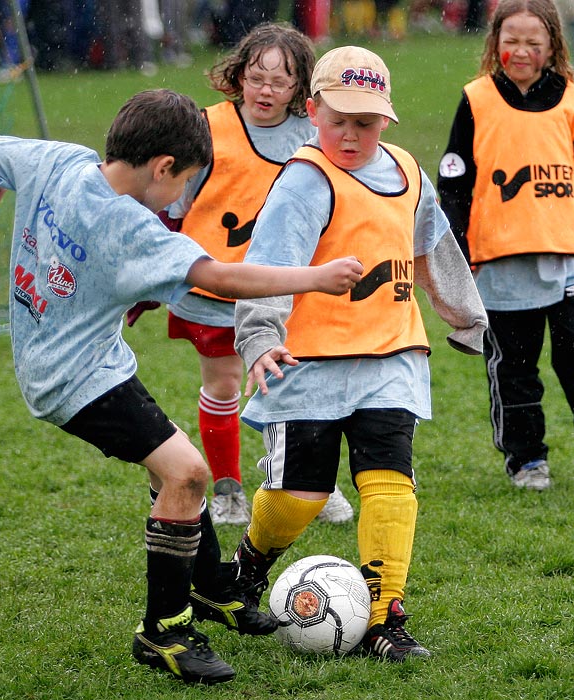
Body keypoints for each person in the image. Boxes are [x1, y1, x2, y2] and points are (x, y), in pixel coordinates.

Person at [0, 89, 364, 685]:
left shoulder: (58, 161)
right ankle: (164, 631)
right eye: (186, 186)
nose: (182, 200)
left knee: (168, 460)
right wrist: (316, 277)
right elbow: (222, 276)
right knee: (186, 473)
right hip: (68, 379)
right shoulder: (131, 229)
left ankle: (209, 588)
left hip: (96, 361)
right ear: (164, 167)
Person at [222, 46, 488, 661]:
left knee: (390, 486)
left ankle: (383, 619)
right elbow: (271, 262)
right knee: (299, 498)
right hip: (307, 360)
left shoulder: (406, 172)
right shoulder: (304, 180)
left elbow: (434, 249)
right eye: (338, 119)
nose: (350, 134)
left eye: (364, 123)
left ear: (386, 121)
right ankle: (248, 565)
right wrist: (260, 337)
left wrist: (468, 318)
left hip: (392, 355)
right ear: (312, 111)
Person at [136, 22, 354, 525]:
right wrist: (149, 278)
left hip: (292, 287)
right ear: (239, 76)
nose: (267, 90)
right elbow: (171, 206)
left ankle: (309, 484)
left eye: (281, 82)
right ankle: (231, 489)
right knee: (224, 383)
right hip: (214, 286)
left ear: (302, 88)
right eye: (257, 77)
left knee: (298, 383)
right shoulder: (207, 129)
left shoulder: (312, 136)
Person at [438, 0, 574, 491]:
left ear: (552, 47)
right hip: (500, 256)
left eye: (533, 42)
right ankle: (527, 460)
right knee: (515, 367)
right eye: (511, 41)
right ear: (495, 45)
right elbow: (455, 183)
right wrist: (461, 249)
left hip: (570, 254)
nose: (521, 51)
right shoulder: (477, 98)